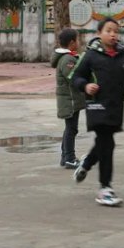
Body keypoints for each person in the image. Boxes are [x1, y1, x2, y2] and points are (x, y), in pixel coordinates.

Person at [69, 18, 124, 206]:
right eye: (108, 30)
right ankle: (105, 188)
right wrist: (85, 86)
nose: (113, 34)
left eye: (116, 31)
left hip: (116, 107)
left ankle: (86, 163)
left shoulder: (123, 55)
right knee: (107, 143)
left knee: (105, 142)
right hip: (96, 106)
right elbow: (75, 77)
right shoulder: (91, 56)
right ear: (99, 33)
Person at [53, 27, 83, 170]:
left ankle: (65, 157)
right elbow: (73, 77)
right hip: (69, 100)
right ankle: (70, 158)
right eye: (78, 40)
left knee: (70, 129)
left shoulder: (69, 57)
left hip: (70, 99)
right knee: (71, 129)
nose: (79, 42)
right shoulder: (67, 59)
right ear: (72, 43)